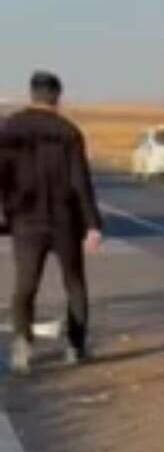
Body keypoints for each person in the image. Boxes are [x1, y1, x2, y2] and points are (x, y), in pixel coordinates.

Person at [0, 71, 103, 374]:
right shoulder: (69, 132)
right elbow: (80, 182)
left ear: (32, 94)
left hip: (25, 220)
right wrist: (93, 225)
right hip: (64, 221)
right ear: (57, 97)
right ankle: (75, 347)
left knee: (25, 285)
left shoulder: (10, 129)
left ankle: (22, 345)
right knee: (74, 283)